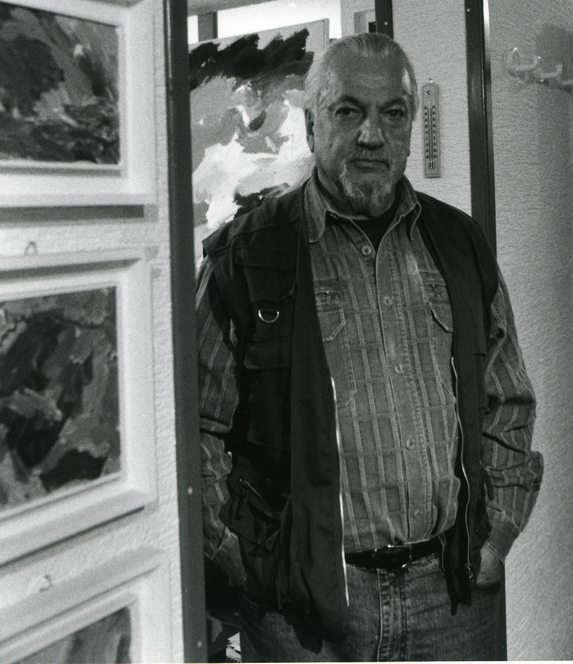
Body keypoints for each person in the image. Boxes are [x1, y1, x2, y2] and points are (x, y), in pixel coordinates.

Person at [196, 32, 543, 662]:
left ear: (410, 125)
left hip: (454, 597)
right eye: (348, 111)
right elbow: (196, 430)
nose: (371, 135)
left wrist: (496, 539)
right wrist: (245, 561)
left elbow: (508, 401)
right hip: (303, 610)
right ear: (312, 124)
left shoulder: (459, 244)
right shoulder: (247, 256)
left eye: (393, 113)